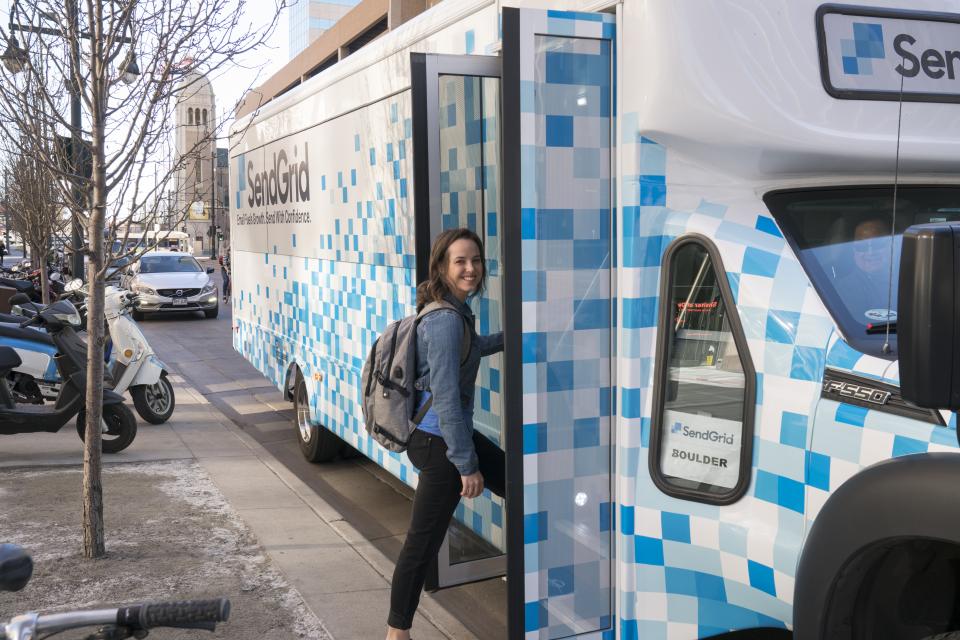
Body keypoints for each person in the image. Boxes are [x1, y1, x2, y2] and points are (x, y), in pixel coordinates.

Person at [386, 227, 504, 640]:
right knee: (422, 544)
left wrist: (512, 338)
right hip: (439, 446)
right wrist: (466, 465)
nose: (470, 268)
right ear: (442, 267)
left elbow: (471, 348)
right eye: (460, 261)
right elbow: (448, 399)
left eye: (475, 260)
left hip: (445, 439)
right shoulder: (444, 320)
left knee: (519, 481)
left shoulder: (455, 314)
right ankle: (396, 633)